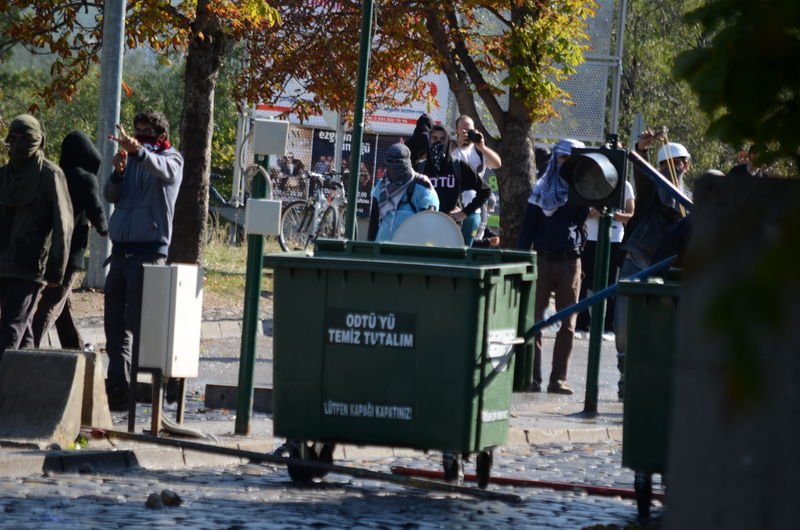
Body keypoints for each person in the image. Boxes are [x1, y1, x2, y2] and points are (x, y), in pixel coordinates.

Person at [103, 110, 183, 410]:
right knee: (115, 326)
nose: (139, 136)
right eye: (136, 131)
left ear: (160, 135)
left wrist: (139, 153)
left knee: (141, 324)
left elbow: (165, 171)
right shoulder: (131, 160)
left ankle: (166, 379)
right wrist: (119, 171)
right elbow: (110, 195)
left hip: (149, 253)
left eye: (146, 132)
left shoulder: (171, 158)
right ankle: (119, 391)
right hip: (121, 252)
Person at [614, 129, 690, 399]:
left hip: (667, 269)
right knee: (624, 324)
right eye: (667, 164)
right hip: (638, 261)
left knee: (662, 326)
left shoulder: (689, 200)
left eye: (679, 162)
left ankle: (655, 380)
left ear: (687, 165)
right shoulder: (650, 191)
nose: (674, 167)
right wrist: (641, 148)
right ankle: (626, 376)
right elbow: (641, 172)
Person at [517, 139, 589, 394]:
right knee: (533, 321)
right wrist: (520, 261)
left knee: (568, 323)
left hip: (570, 262)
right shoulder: (540, 189)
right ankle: (532, 378)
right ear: (555, 159)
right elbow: (528, 229)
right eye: (562, 158)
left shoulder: (581, 191)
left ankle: (558, 378)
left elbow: (581, 224)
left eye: (572, 160)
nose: (566, 164)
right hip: (542, 261)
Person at [0, 114, 73, 359]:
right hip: (3, 264)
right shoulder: (3, 175)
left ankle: (6, 390)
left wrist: (56, 271)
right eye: (14, 138)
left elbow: (63, 225)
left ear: (37, 140)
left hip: (29, 267)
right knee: (23, 332)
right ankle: (29, 386)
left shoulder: (50, 175)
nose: (18, 144)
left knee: (11, 329)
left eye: (25, 138)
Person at [30, 131, 109, 350]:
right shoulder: (86, 178)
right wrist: (106, 229)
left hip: (47, 249)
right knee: (54, 302)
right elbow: (97, 212)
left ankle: (75, 348)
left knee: (62, 303)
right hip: (72, 250)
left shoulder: (54, 174)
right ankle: (29, 346)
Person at [575, 180, 635, 340]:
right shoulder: (588, 178)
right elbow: (577, 210)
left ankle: (609, 326)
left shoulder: (625, 186)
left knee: (612, 283)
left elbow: (631, 214)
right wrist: (591, 213)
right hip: (590, 238)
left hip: (614, 239)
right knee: (584, 281)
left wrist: (612, 215)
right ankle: (582, 324)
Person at [420, 124, 491, 246]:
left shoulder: (457, 165)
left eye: (442, 139)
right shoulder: (421, 167)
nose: (438, 142)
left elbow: (485, 190)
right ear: (429, 140)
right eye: (434, 139)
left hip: (451, 227)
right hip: (425, 227)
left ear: (447, 141)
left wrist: (465, 212)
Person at [367, 143, 439, 242]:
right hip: (382, 248)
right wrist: (370, 247)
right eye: (390, 161)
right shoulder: (381, 185)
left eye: (398, 162)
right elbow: (374, 221)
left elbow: (429, 224)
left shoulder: (421, 186)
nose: (394, 166)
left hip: (410, 251)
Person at [451, 115, 502, 241]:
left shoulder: (478, 151)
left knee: (470, 243)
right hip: (452, 205)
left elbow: (497, 164)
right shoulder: (451, 147)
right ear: (456, 130)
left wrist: (482, 147)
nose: (467, 133)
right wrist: (457, 144)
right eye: (463, 130)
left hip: (474, 207)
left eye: (469, 130)